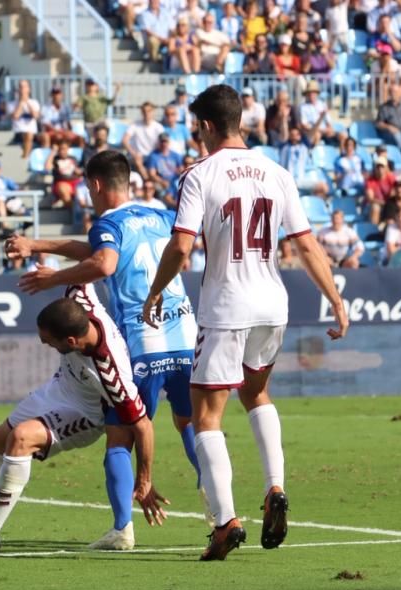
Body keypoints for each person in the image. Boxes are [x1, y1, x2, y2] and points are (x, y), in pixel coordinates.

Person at [142, 84, 348, 561]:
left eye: (198, 127)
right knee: (256, 394)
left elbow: (181, 246)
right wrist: (335, 299)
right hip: (272, 303)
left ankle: (224, 522)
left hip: (226, 306)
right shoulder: (277, 173)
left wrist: (156, 291)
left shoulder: (201, 175)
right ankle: (275, 487)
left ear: (208, 126)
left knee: (205, 416)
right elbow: (306, 244)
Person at [7, 150, 200, 550]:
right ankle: (220, 510)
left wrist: (51, 279)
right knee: (193, 425)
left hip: (142, 345)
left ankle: (121, 529)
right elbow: (97, 252)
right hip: (184, 337)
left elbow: (104, 263)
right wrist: (36, 244)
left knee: (120, 437)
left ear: (95, 185)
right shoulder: (161, 215)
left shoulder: (108, 223)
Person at [0, 288, 155, 555]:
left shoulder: (109, 373)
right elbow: (91, 266)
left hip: (84, 414)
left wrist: (145, 479)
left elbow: (143, 426)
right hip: (59, 389)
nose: (46, 345)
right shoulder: (81, 301)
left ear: (70, 341)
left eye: (49, 342)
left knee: (21, 439)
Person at [7, 79, 40, 158]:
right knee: (28, 134)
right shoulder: (11, 104)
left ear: (29, 89)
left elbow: (35, 116)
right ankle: (25, 157)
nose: (22, 89)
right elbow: (15, 116)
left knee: (31, 134)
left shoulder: (34, 102)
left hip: (32, 132)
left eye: (24, 87)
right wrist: (21, 103)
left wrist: (27, 103)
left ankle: (27, 157)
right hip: (18, 132)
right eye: (20, 87)